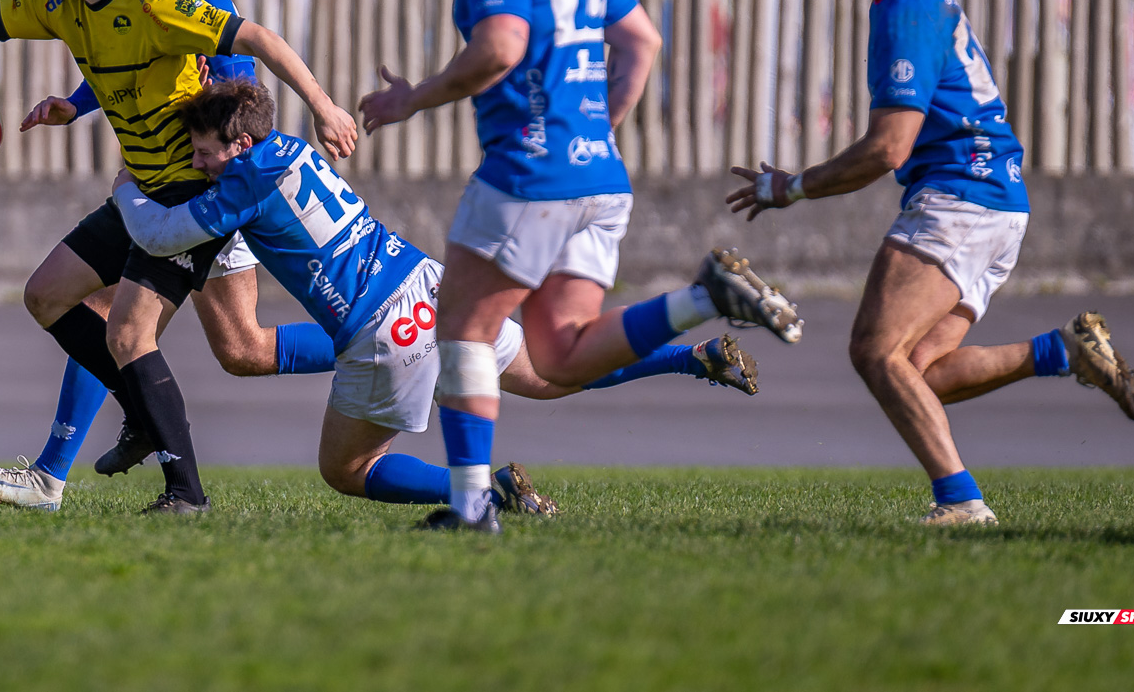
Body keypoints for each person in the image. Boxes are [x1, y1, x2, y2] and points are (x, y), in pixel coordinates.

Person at [360, 0, 803, 532]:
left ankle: (472, 507)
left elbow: (500, 47)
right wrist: (601, 126)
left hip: (529, 175)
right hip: (598, 175)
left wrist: (415, 98)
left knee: (464, 328)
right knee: (560, 355)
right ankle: (704, 299)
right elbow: (643, 41)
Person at [109, 79, 762, 514]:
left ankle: (482, 491)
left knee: (348, 468)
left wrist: (126, 188)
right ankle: (694, 355)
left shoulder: (244, 181)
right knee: (548, 375)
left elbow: (160, 234)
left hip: (384, 329)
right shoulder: (291, 150)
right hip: (430, 287)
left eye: (202, 153)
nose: (197, 164)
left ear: (239, 143)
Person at [728, 0, 1134, 527]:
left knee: (872, 349)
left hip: (961, 198)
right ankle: (1064, 351)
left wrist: (791, 187)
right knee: (920, 366)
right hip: (999, 202)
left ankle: (961, 500)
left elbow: (889, 146)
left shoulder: (906, 13)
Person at [0, 0, 357, 515]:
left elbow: (255, 55)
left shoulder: (170, 3)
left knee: (135, 333)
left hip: (200, 194)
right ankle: (129, 426)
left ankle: (174, 488)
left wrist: (323, 108)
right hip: (142, 192)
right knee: (54, 297)